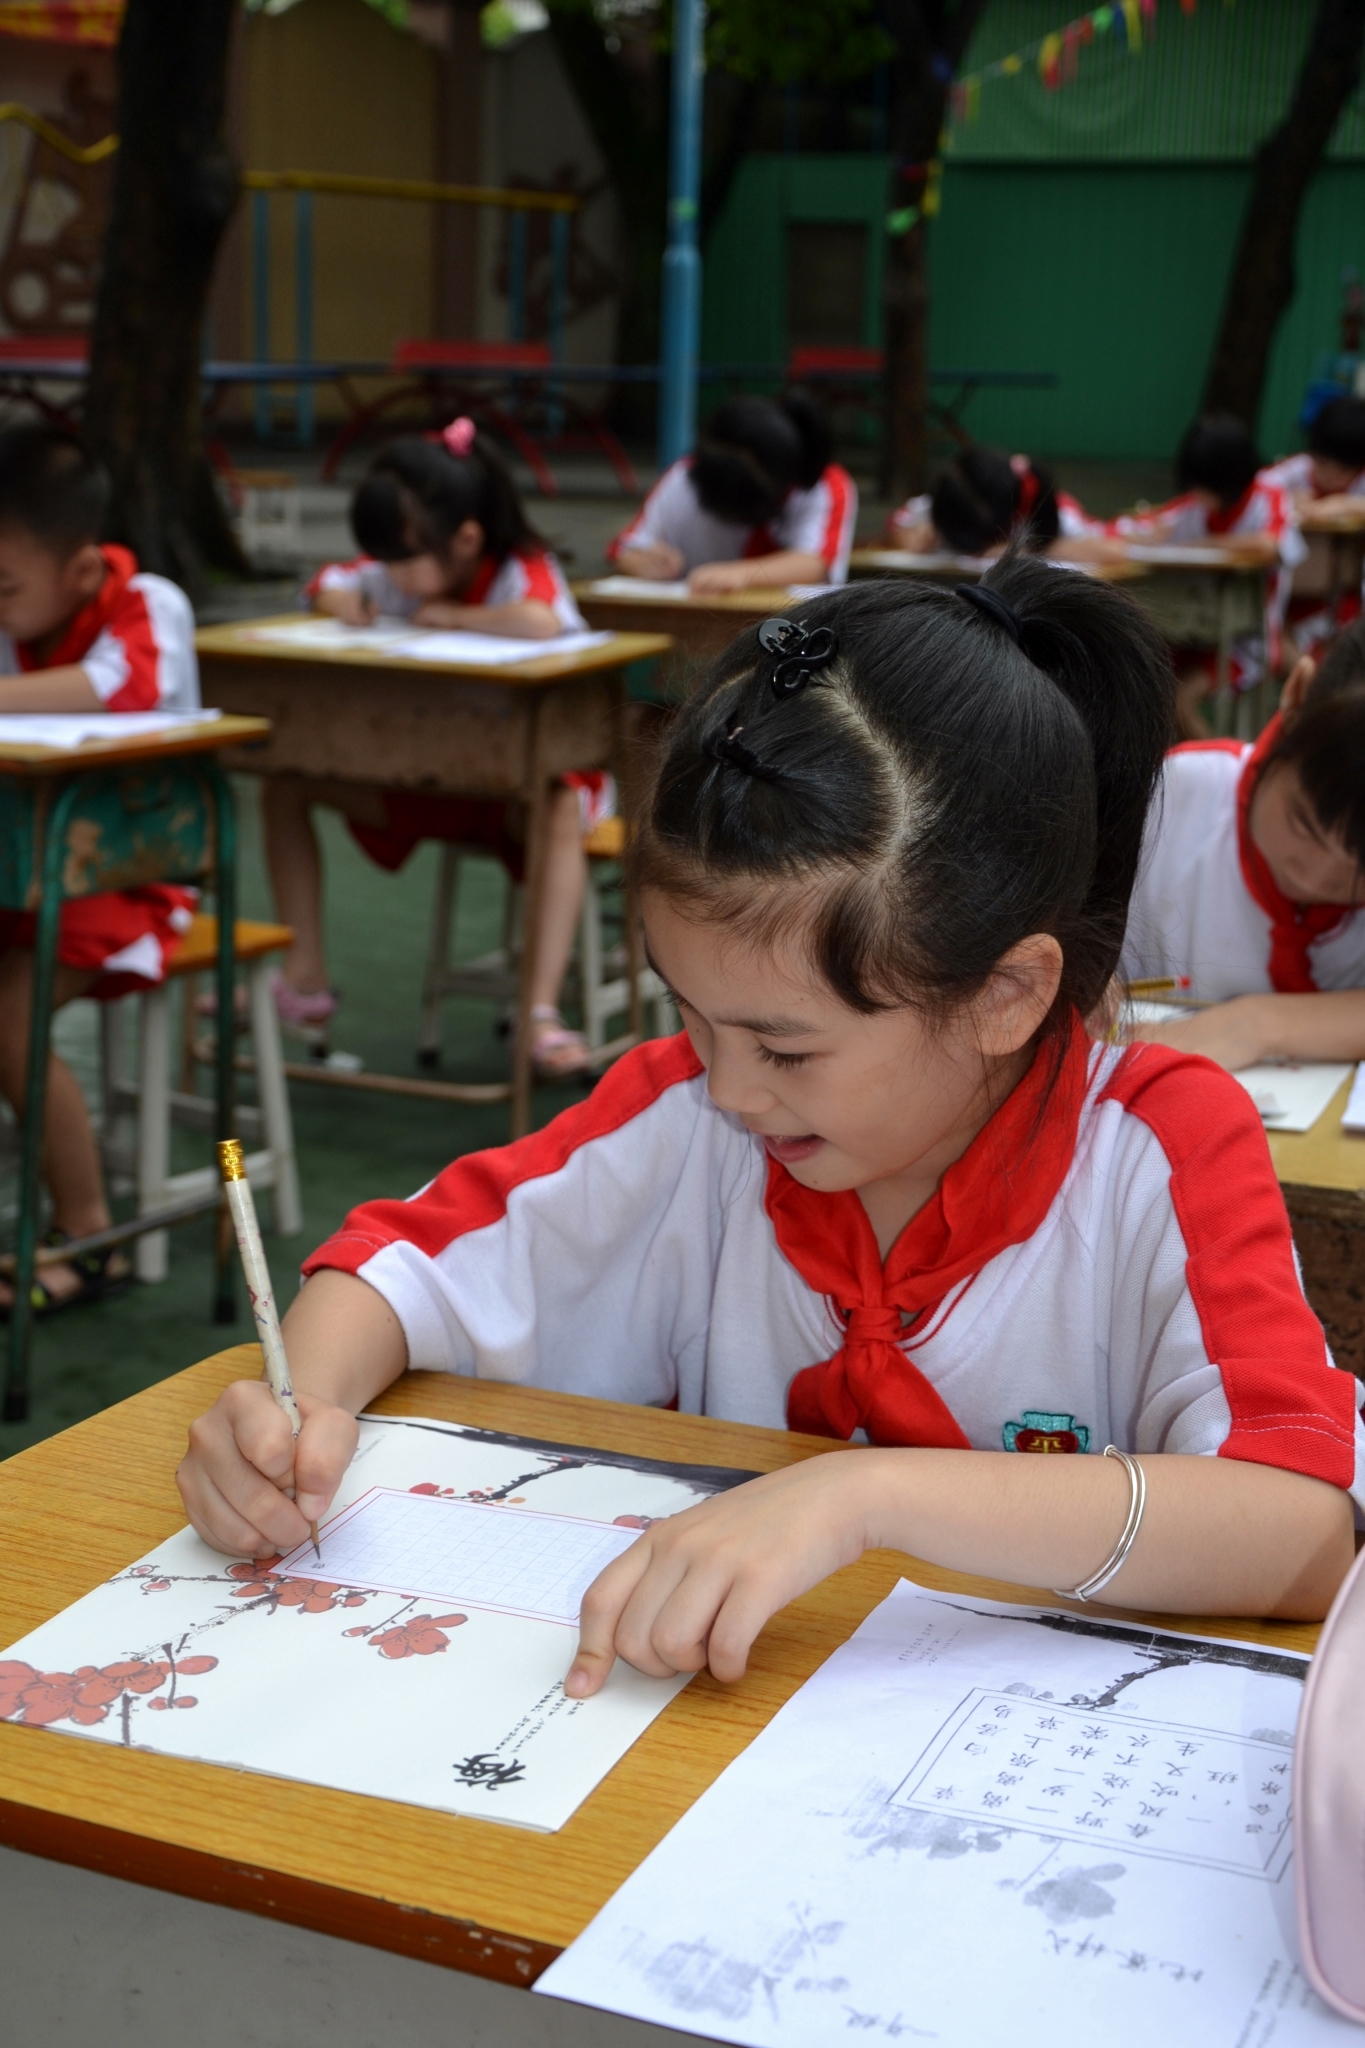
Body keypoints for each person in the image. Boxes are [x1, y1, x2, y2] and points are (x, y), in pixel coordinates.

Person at [179, 559, 1361, 1694]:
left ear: (1007, 994)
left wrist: (860, 1496)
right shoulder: (679, 1112)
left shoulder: (1154, 1146)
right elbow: (397, 1270)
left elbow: (1302, 1527)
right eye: (688, 1014)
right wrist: (299, 1411)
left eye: (787, 1048)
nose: (732, 1087)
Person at [267, 421, 611, 1080]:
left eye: (402, 560)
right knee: (285, 782)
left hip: (524, 788)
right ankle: (305, 981)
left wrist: (458, 618)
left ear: (467, 539)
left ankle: (538, 1014)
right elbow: (329, 580)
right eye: (386, 561)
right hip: (432, 780)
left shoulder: (519, 570)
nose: (391, 574)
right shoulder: (402, 570)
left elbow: (540, 620)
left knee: (559, 807)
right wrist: (343, 600)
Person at [0, 421, 199, 1312]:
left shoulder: (145, 602)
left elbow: (125, 688)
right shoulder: (15, 620)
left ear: (81, 569)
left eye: (4, 585)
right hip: (29, 874)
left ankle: (88, 1236)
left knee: (8, 1018)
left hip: (137, 877)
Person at [1122, 619, 1365, 1070]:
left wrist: (1258, 1024)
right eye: (1302, 824)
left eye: (1359, 871)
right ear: (1295, 696)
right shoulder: (1169, 803)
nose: (1316, 875)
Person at [1113, 414, 1306, 737]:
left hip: (1247, 643)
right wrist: (1142, 536)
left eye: (1204, 487)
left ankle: (1226, 772)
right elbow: (1130, 530)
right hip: (1189, 633)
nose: (1197, 497)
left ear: (1229, 480)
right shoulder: (1192, 506)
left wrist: (1201, 543)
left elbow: (1271, 545)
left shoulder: (1267, 498)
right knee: (1135, 685)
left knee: (1179, 700)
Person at [608, 394, 857, 591]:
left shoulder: (820, 482)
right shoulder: (686, 475)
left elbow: (815, 563)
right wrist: (641, 562)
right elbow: (624, 549)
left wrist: (739, 574)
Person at [882, 445, 1123, 565]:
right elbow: (896, 527)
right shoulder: (945, 501)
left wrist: (1031, 550)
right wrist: (911, 537)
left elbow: (1115, 549)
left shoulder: (1053, 510)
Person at [1264, 397, 1365, 661]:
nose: (1329, 475)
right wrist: (1287, 501)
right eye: (1322, 463)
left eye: (1342, 469)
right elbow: (1259, 492)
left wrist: (1340, 504)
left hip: (1345, 597)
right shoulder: (1297, 470)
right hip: (1293, 593)